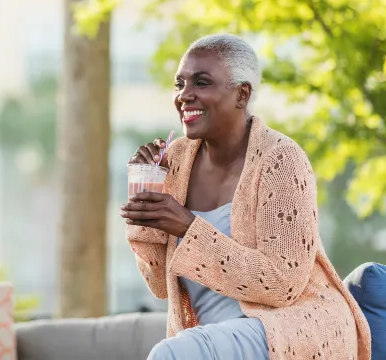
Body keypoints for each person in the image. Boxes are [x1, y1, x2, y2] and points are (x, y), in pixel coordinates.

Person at [120, 34, 371, 360]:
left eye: (201, 82)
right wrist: (146, 201)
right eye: (179, 83)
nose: (184, 95)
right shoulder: (177, 160)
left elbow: (283, 285)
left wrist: (188, 226)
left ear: (242, 94)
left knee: (170, 355)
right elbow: (158, 285)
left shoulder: (281, 160)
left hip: (288, 328)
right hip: (213, 334)